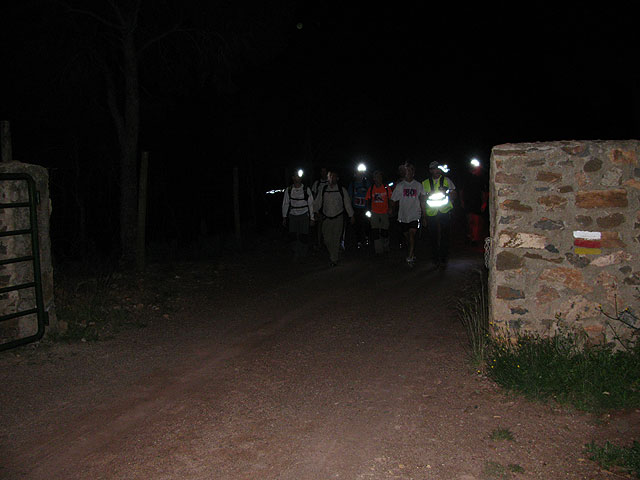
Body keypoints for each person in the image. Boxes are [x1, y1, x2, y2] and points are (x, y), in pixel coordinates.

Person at [313, 170, 355, 266]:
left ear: (337, 178)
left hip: (338, 217)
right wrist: (315, 212)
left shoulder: (341, 190)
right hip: (326, 218)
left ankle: (334, 259)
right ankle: (334, 254)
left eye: (334, 176)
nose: (332, 178)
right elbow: (317, 202)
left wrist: (351, 215)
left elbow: (347, 203)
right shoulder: (323, 189)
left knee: (336, 238)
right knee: (327, 239)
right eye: (330, 176)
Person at [422, 161, 457, 268]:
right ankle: (435, 257)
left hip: (444, 211)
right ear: (430, 170)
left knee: (445, 235)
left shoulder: (446, 180)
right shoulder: (425, 183)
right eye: (434, 169)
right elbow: (422, 199)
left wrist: (448, 194)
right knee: (433, 236)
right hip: (431, 212)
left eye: (437, 168)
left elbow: (454, 193)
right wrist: (424, 216)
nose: (436, 171)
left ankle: (443, 257)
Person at [390, 162, 426, 265]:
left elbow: (422, 200)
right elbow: (393, 199)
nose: (408, 173)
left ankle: (410, 256)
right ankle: (412, 251)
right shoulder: (400, 186)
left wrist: (424, 215)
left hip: (415, 215)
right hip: (403, 216)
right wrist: (391, 208)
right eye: (406, 171)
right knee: (407, 237)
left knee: (411, 235)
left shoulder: (418, 185)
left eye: (410, 171)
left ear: (413, 173)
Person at [282, 172, 315, 260]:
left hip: (304, 214)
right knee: (293, 235)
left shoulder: (306, 189)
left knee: (303, 235)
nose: (298, 178)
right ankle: (296, 252)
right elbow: (285, 203)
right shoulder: (289, 190)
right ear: (293, 178)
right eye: (296, 176)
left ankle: (303, 252)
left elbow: (311, 204)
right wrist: (284, 217)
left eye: (299, 176)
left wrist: (312, 218)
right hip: (293, 215)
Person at [460, 161, 489, 248]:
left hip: (477, 202)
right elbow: (461, 190)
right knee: (469, 221)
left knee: (476, 221)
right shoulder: (466, 178)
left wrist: (484, 203)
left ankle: (474, 239)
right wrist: (462, 201)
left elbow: (484, 192)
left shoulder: (480, 179)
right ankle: (470, 235)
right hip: (468, 202)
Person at [365, 170, 392, 254]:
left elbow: (390, 199)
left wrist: (390, 208)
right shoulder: (371, 189)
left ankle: (385, 246)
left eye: (379, 177)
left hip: (384, 212)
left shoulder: (386, 188)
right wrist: (368, 212)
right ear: (374, 178)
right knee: (375, 231)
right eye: (376, 177)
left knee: (385, 231)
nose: (378, 179)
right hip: (374, 212)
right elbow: (367, 200)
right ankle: (378, 250)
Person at [347, 167, 371, 249]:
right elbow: (349, 198)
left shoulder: (367, 183)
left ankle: (366, 239)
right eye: (358, 173)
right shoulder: (352, 184)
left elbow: (371, 195)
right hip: (356, 208)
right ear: (355, 174)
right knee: (357, 225)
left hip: (365, 208)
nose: (359, 175)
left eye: (361, 173)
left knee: (366, 224)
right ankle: (358, 241)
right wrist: (350, 210)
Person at [311, 167, 329, 249]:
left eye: (325, 171)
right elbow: (314, 197)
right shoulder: (317, 183)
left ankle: (326, 242)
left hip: (328, 208)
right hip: (319, 208)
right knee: (319, 226)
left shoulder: (330, 182)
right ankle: (319, 243)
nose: (323, 173)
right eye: (322, 171)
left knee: (327, 226)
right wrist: (314, 209)